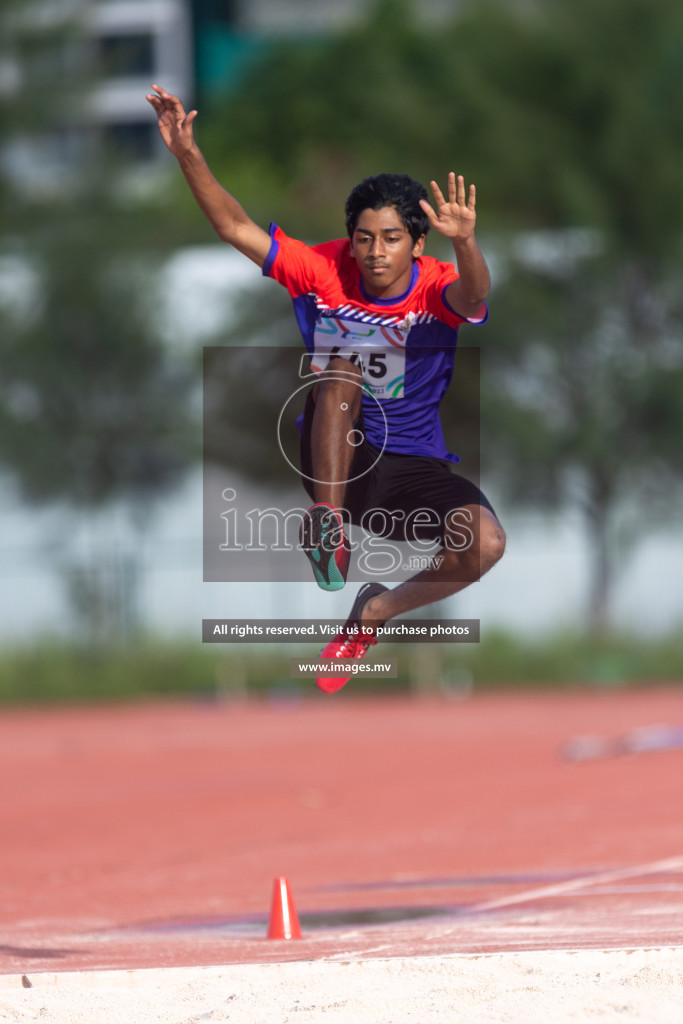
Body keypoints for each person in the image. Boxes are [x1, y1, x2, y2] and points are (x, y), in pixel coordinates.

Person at [146, 84, 506, 694]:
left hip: (413, 467)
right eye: (364, 238)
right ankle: (329, 531)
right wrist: (187, 154)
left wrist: (466, 240)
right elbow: (235, 226)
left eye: (392, 239)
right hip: (339, 459)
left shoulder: (436, 285)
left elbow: (473, 297)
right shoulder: (320, 271)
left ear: (418, 244)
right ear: (350, 238)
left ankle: (373, 613)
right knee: (341, 372)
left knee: (486, 545)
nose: (375, 252)